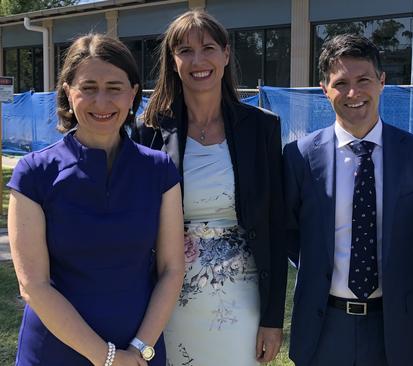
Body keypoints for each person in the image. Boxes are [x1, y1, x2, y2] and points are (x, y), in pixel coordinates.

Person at [8, 34, 185, 366]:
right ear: (67, 92)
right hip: (54, 353)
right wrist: (106, 358)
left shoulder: (159, 170)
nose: (102, 102)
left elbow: (172, 269)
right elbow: (33, 285)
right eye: (88, 88)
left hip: (138, 354)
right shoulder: (33, 174)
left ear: (133, 94)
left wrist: (139, 349)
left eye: (114, 88)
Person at [131, 9, 286, 365]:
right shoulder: (149, 130)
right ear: (172, 61)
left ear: (226, 54)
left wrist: (273, 319)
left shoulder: (261, 128)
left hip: (241, 297)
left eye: (208, 48)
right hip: (170, 298)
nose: (197, 60)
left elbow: (275, 226)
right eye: (184, 50)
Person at [283, 33, 413, 366]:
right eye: (341, 83)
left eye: (364, 80)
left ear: (382, 81)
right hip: (324, 323)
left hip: (393, 326)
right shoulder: (298, 156)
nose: (353, 93)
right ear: (324, 88)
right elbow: (290, 232)